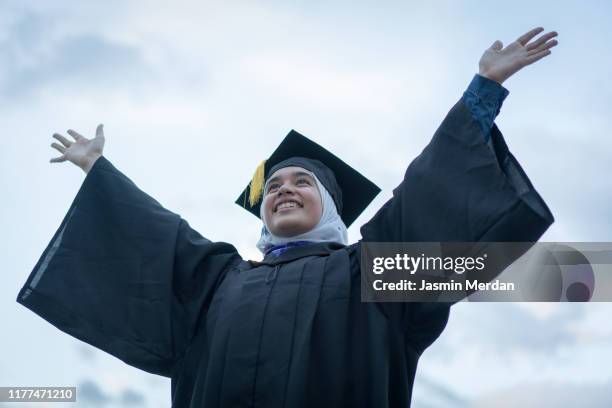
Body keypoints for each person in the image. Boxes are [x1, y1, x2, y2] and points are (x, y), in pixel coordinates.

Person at [17, 27, 557, 407]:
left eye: (303, 182)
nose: (284, 190)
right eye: (274, 185)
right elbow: (153, 232)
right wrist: (98, 171)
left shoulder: (371, 274)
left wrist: (482, 94)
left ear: (332, 207)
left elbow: (432, 199)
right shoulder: (216, 281)